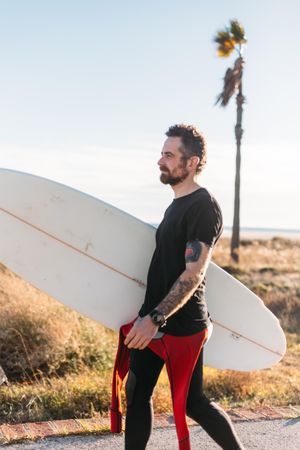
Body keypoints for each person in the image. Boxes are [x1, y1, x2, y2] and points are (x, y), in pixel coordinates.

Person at [117, 124, 245, 449]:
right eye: (162, 153)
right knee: (137, 391)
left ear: (191, 162)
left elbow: (193, 274)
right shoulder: (176, 203)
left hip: (182, 325)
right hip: (155, 318)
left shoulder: (203, 205)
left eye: (170, 155)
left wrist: (154, 319)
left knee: (193, 403)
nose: (161, 161)